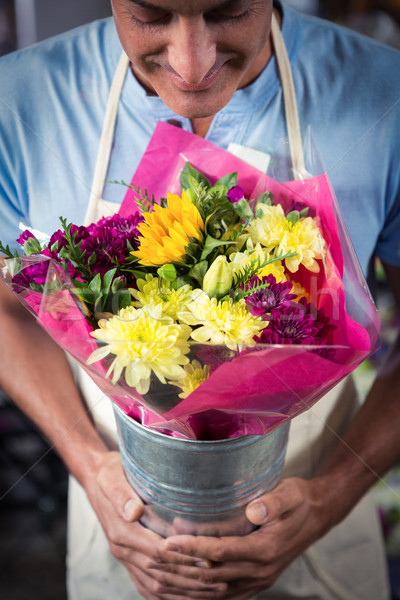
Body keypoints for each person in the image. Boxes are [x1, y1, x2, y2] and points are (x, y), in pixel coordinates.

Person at [0, 1, 399, 599]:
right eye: (150, 16)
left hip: (320, 542)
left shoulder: (384, 94)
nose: (192, 65)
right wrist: (91, 464)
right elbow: (10, 314)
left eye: (229, 11)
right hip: (126, 540)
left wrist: (333, 493)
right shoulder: (19, 99)